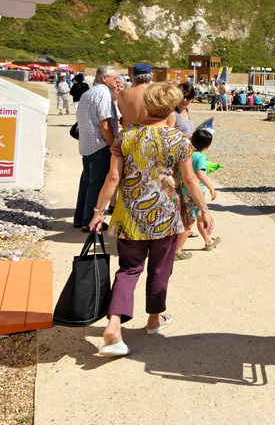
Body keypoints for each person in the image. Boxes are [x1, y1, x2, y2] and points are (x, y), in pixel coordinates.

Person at [89, 82, 214, 356]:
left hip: (130, 215)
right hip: (166, 216)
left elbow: (113, 178)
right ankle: (154, 319)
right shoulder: (177, 140)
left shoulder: (126, 136)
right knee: (160, 270)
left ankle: (113, 325)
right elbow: (190, 180)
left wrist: (99, 212)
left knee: (128, 269)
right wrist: (204, 209)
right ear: (170, 107)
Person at [74, 66, 120, 232]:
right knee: (97, 185)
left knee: (86, 183)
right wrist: (114, 144)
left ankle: (79, 218)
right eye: (115, 78)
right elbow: (104, 124)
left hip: (87, 145)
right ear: (104, 78)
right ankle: (89, 220)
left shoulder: (89, 93)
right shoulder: (103, 94)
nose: (117, 81)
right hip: (99, 145)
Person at [176, 128, 220, 255]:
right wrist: (211, 188)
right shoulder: (200, 157)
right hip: (196, 193)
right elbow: (200, 174)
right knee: (189, 222)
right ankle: (178, 251)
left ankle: (208, 241)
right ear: (208, 146)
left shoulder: (188, 154)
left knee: (200, 217)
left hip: (185, 190)